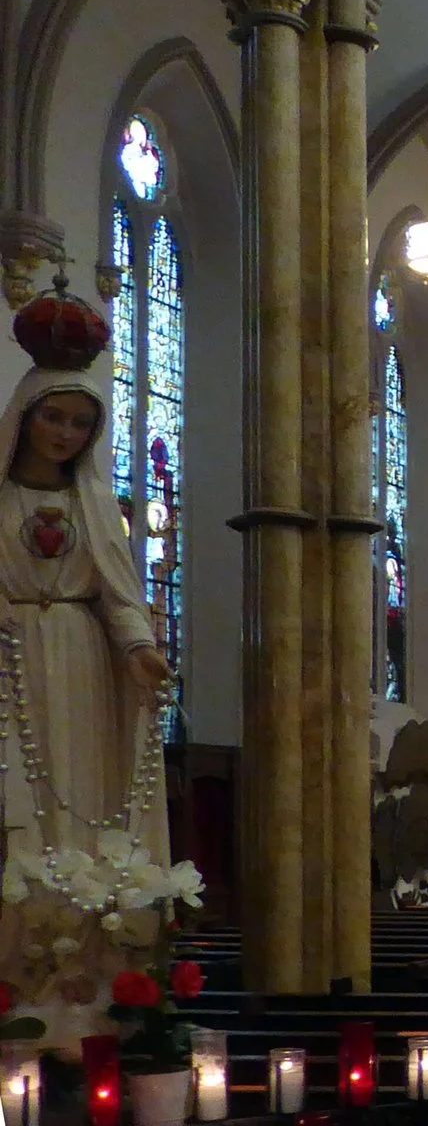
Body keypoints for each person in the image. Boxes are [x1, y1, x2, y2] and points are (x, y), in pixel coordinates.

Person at [0, 279, 175, 1037]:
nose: (64, 433)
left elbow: (118, 593)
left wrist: (139, 648)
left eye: (79, 422)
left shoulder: (95, 506)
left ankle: (87, 975)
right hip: (9, 666)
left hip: (83, 668)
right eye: (53, 416)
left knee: (80, 806)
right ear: (25, 415)